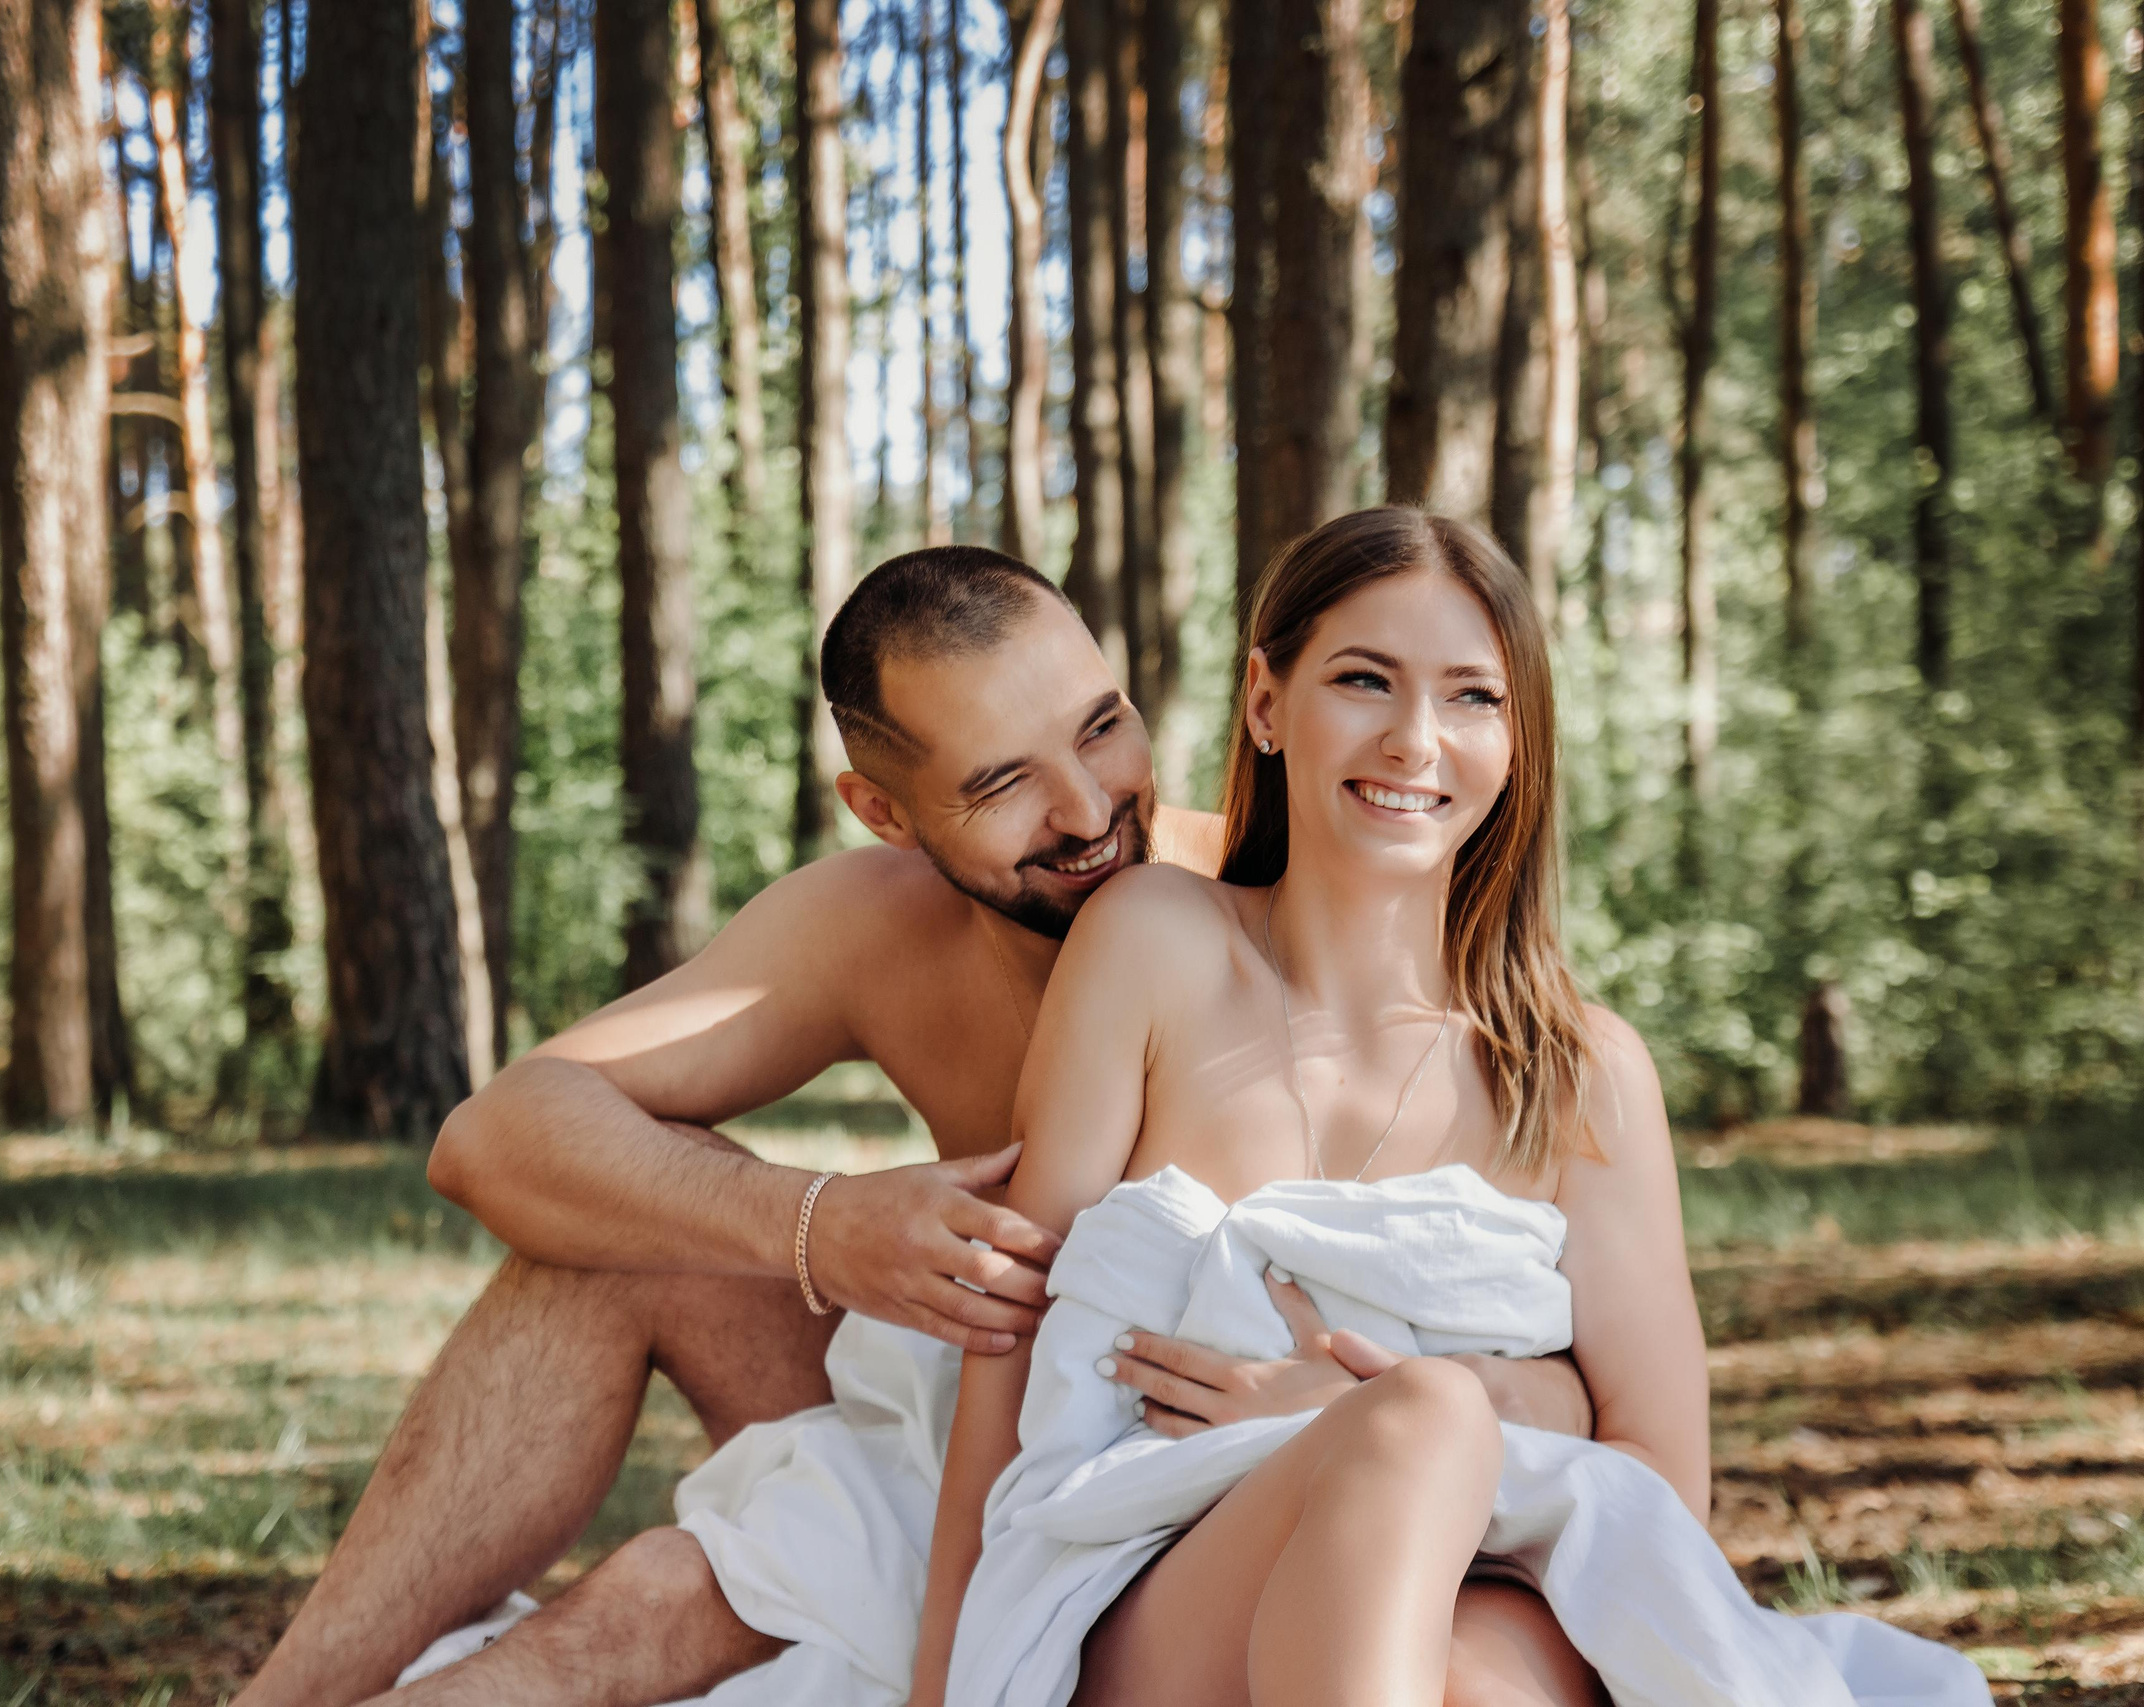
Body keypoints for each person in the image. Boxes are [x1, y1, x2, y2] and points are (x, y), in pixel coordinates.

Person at [229, 545, 1599, 1707]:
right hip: (962, 1404)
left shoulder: (1274, 883)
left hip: (1192, 1466)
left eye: (1102, 725)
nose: (1088, 809)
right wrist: (825, 1224)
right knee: (618, 1234)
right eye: (1003, 781)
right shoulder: (870, 923)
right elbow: (495, 1133)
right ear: (884, 811)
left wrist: (1459, 1401)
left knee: (651, 1591)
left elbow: (1517, 1268)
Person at [879, 509, 1987, 1707]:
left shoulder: (1580, 1074)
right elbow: (1010, 1322)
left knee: (1462, 1613)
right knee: (1421, 1421)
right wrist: (946, 1683)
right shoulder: (1152, 942)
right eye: (1364, 681)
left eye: (1472, 698)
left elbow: (1657, 1483)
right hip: (1158, 1592)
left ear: (1517, 742)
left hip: (1485, 1585)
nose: (1415, 741)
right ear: (1265, 702)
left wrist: (1395, 1412)